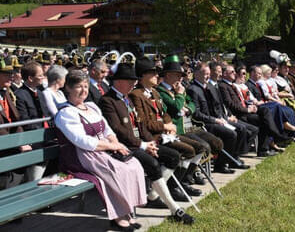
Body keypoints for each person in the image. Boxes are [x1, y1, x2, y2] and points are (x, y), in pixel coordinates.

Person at [99, 63, 194, 224]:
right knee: (152, 164)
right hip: (123, 147)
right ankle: (174, 208)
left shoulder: (126, 98)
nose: (133, 84)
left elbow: (140, 124)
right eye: (130, 81)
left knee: (173, 156)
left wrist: (149, 141)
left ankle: (152, 195)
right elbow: (118, 130)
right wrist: (142, 145)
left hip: (140, 143)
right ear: (119, 81)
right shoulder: (108, 101)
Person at [55, 70, 146, 231]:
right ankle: (118, 217)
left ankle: (127, 211)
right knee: (116, 170)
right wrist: (112, 147)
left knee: (133, 165)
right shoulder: (65, 113)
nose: (83, 90)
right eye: (78, 87)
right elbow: (81, 141)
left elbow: (107, 130)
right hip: (81, 155)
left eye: (85, 86)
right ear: (68, 88)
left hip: (102, 149)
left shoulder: (91, 106)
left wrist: (116, 144)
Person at [131, 57, 205, 200]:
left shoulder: (154, 92)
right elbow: (145, 123)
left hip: (165, 133)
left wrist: (169, 123)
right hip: (153, 136)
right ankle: (167, 189)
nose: (157, 76)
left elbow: (163, 113)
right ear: (142, 76)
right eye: (152, 73)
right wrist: (165, 126)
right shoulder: (136, 94)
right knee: (181, 153)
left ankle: (178, 184)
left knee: (196, 147)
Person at [157, 55, 223, 184]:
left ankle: (190, 172)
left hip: (188, 126)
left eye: (181, 75)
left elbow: (191, 103)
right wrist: (180, 95)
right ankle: (184, 179)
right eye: (177, 75)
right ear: (168, 74)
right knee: (200, 147)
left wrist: (188, 109)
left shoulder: (179, 88)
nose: (181, 78)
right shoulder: (161, 91)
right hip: (177, 130)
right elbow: (175, 107)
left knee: (215, 143)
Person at [15, 61, 51, 181]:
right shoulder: (20, 94)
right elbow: (25, 120)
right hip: (34, 141)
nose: (43, 78)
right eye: (40, 75)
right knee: (35, 178)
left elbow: (47, 115)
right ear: (30, 78)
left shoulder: (40, 93)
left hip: (47, 139)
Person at [0, 60, 24, 190]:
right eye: (6, 74)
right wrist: (15, 143)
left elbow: (16, 119)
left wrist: (20, 139)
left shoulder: (7, 92)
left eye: (12, 73)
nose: (12, 76)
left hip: (10, 143)